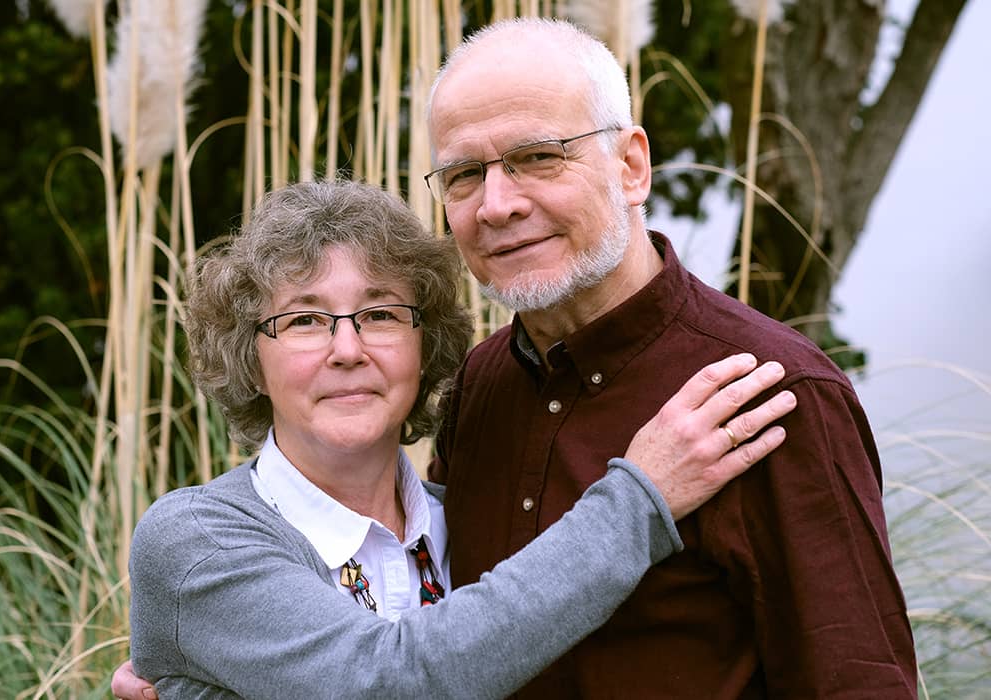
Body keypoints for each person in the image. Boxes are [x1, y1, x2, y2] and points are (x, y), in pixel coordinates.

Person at [118, 179, 796, 698]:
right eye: (303, 322)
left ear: (426, 345)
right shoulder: (196, 542)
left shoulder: (470, 523)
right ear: (250, 358)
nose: (347, 349)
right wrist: (639, 502)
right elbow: (389, 683)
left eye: (381, 314)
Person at [422, 16, 917, 698]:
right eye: (465, 175)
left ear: (630, 166)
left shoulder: (772, 392)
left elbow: (856, 684)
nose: (497, 205)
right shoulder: (481, 385)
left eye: (538, 157)